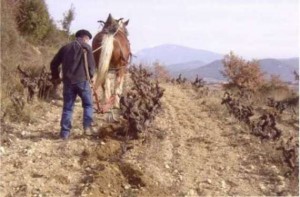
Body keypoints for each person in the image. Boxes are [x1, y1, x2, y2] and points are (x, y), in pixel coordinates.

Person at [50, 29, 96, 140]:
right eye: (88, 39)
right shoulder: (87, 48)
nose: (88, 42)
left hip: (68, 82)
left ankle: (64, 133)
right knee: (88, 105)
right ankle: (87, 128)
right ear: (84, 38)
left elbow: (53, 63)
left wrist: (56, 77)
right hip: (82, 82)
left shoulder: (65, 48)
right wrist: (91, 77)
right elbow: (91, 67)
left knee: (68, 108)